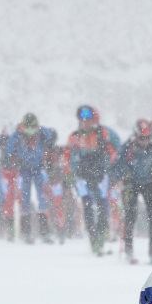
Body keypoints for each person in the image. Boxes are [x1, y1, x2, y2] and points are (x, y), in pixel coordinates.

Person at [67, 104, 118, 254]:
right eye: (82, 120)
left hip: (100, 173)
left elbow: (112, 152)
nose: (85, 123)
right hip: (82, 175)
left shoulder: (101, 134)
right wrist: (71, 172)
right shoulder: (75, 137)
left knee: (102, 206)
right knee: (88, 207)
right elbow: (68, 156)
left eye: (88, 120)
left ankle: (101, 236)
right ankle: (93, 240)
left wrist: (110, 166)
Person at [114, 118, 152, 264]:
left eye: (148, 138)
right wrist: (124, 174)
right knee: (130, 215)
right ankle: (129, 249)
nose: (145, 141)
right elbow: (117, 165)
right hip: (132, 183)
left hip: (149, 182)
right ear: (136, 136)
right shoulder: (128, 147)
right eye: (142, 138)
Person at [5, 112, 58, 243]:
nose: (30, 131)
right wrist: (13, 160)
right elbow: (8, 150)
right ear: (23, 126)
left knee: (43, 197)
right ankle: (26, 232)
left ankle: (45, 232)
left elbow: (52, 137)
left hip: (39, 168)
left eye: (33, 128)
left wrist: (50, 155)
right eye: (27, 128)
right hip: (24, 170)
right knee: (25, 199)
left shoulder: (42, 132)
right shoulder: (17, 135)